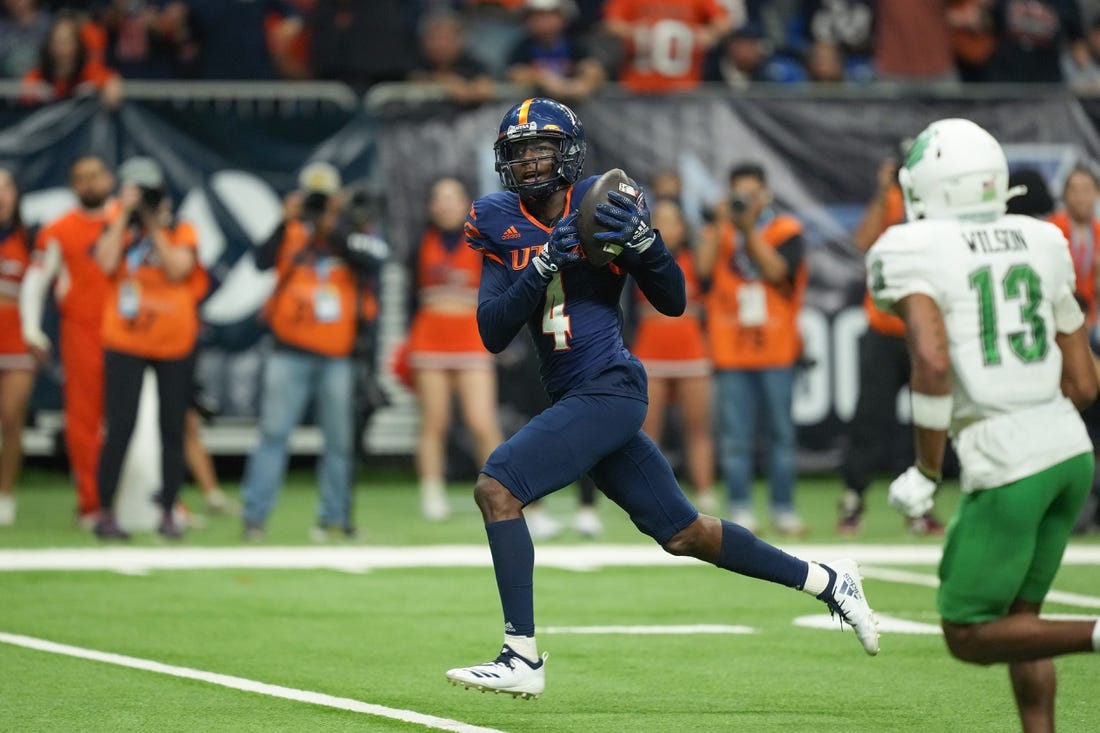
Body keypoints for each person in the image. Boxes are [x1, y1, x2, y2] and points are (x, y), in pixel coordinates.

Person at [444, 97, 878, 699]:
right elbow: (493, 331)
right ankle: (829, 580)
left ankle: (521, 654)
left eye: (539, 148)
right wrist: (543, 264)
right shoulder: (496, 217)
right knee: (683, 533)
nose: (528, 162)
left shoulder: (604, 203)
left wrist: (647, 247)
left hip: (610, 388)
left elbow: (672, 300)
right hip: (573, 393)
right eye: (517, 152)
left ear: (566, 152)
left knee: (498, 486)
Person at [873, 118, 1100, 733]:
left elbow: (932, 360)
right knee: (1024, 621)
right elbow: (1085, 383)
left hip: (1007, 458)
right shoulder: (1043, 238)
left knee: (969, 632)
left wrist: (926, 469)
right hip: (1071, 452)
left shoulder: (910, 247)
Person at [241, 162, 381, 542]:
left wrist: (332, 228)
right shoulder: (289, 229)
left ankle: (334, 517)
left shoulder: (350, 229)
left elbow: (371, 261)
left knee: (339, 440)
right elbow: (260, 261)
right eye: (312, 197)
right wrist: (282, 220)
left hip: (339, 354)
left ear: (337, 198)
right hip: (289, 350)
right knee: (273, 433)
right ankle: (255, 517)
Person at [91, 157, 207, 540]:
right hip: (125, 339)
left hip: (173, 342)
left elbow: (178, 269)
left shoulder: (181, 228)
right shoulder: (117, 225)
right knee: (119, 425)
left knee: (171, 428)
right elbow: (104, 262)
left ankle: (168, 510)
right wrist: (124, 216)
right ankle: (105, 510)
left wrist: (155, 223)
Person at [838, 143, 946, 536]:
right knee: (870, 417)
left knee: (928, 419)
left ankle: (920, 506)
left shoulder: (937, 204)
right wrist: (884, 194)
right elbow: (862, 241)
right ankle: (853, 499)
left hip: (925, 332)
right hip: (885, 332)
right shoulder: (890, 201)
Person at [696, 162, 807, 536]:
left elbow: (776, 272)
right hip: (731, 349)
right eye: (739, 195)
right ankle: (740, 506)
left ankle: (783, 508)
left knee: (781, 436)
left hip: (777, 349)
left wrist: (747, 231)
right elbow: (702, 271)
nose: (747, 202)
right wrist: (720, 225)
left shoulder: (786, 231)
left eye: (752, 195)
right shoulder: (718, 231)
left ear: (767, 195)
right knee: (735, 439)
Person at [20, 154, 119, 529]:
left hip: (131, 332)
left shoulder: (125, 223)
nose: (89, 184)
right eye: (81, 178)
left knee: (138, 418)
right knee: (84, 420)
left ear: (108, 179)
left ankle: (153, 499)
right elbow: (35, 280)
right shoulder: (59, 230)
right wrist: (31, 328)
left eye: (95, 176)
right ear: (72, 184)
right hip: (83, 331)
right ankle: (91, 502)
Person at [407, 176, 504, 522]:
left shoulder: (483, 241)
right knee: (434, 422)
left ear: (466, 202)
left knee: (482, 422)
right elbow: (409, 298)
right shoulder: (420, 242)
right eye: (439, 197)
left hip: (470, 339)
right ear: (431, 205)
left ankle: (503, 491)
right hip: (429, 341)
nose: (445, 204)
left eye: (452, 197)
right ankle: (431, 494)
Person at [631, 197, 717, 513]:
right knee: (647, 431)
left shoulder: (697, 258)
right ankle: (649, 495)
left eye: (673, 220)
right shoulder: (637, 257)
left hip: (692, 352)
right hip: (650, 352)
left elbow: (712, 267)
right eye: (661, 219)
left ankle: (705, 493)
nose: (666, 226)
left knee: (698, 428)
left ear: (683, 227)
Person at [0, 169, 36, 526]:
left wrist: (37, 333)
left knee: (11, 419)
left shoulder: (28, 237)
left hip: (16, 339)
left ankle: (5, 494)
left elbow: (41, 290)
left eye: (6, 187)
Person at [603, 0, 731, 93]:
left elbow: (723, 24)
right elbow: (610, 24)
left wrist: (709, 33)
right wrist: (631, 32)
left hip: (683, 85)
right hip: (639, 85)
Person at [506, 0, 606, 103]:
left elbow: (593, 68)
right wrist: (543, 79)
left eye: (549, 15)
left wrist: (582, 85)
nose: (543, 21)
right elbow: (515, 72)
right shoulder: (522, 47)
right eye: (536, 16)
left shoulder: (575, 46)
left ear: (563, 18)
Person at [20, 11, 122, 106]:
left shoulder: (88, 71)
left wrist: (110, 87)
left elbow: (111, 80)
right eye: (57, 42)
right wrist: (33, 94)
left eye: (67, 42)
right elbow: (23, 95)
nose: (62, 49)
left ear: (78, 45)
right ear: (49, 46)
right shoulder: (36, 76)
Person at [1047, 164, 1100, 327]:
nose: (1080, 197)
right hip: (1059, 316)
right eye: (1074, 190)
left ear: (1097, 193)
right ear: (1065, 194)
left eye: (1086, 190)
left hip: (1092, 317)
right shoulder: (1052, 229)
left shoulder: (1098, 231)